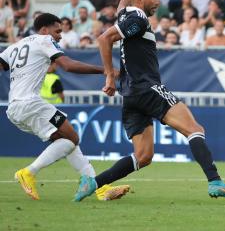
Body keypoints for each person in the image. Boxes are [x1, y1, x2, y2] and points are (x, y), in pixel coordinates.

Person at [76, 0, 225, 203]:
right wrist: (108, 76)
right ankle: (215, 181)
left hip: (131, 95)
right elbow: (104, 38)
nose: (157, 2)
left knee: (143, 156)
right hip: (147, 88)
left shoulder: (127, 14)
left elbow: (122, 7)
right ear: (140, 0)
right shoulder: (138, 19)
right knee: (194, 129)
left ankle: (93, 183)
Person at [0, 13, 129, 201]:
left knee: (67, 142)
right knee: (72, 137)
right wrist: (104, 70)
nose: (60, 35)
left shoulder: (16, 46)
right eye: (57, 31)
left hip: (14, 108)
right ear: (44, 29)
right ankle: (28, 172)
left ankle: (98, 188)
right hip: (30, 103)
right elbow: (67, 66)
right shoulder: (44, 40)